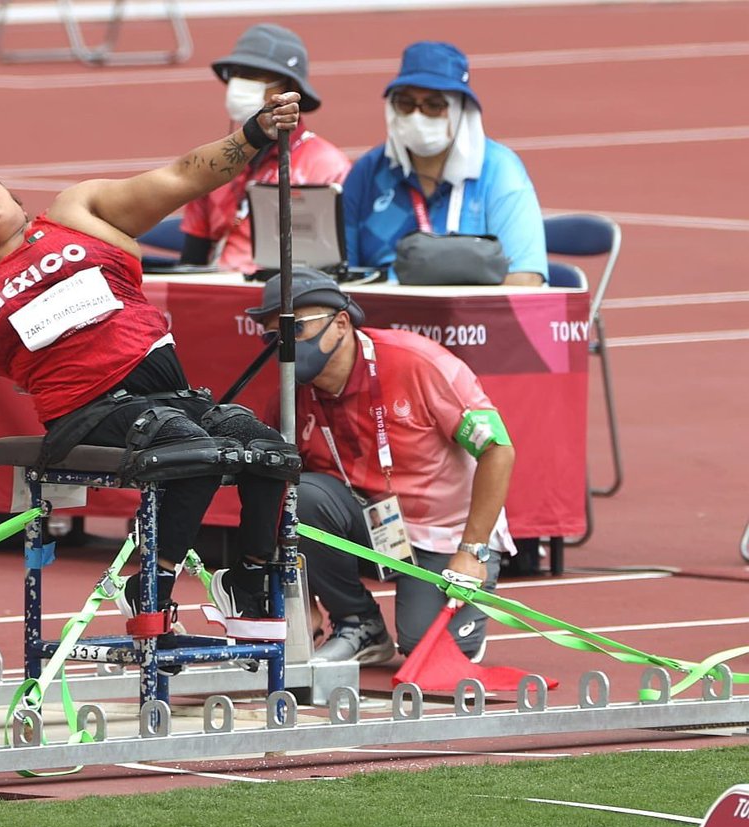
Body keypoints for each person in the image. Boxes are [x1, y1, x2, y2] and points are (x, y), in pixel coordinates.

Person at [0, 93, 306, 636]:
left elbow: (184, 175)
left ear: (22, 206)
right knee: (193, 451)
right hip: (90, 414)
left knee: (263, 445)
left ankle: (250, 579)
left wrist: (255, 133)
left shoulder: (79, 214)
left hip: (171, 397)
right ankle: (149, 589)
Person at [247, 268, 516, 663]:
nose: (284, 345)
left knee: (429, 654)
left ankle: (463, 581)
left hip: (446, 534)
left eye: (296, 330)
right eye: (274, 337)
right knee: (298, 495)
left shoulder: (418, 363)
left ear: (341, 323)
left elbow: (498, 449)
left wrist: (472, 550)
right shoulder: (290, 400)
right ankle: (359, 623)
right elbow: (273, 494)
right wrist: (294, 588)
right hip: (370, 529)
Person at [341, 41, 547, 286]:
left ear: (460, 109)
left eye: (434, 105)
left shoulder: (500, 170)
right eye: (405, 104)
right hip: (380, 319)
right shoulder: (367, 173)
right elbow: (341, 274)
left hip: (474, 321)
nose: (417, 116)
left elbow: (525, 279)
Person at [176, 23, 350, 276]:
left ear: (290, 88)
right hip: (215, 294)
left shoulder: (328, 166)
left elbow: (337, 266)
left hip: (289, 298)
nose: (240, 83)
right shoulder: (213, 161)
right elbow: (192, 256)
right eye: (237, 72)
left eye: (256, 74)